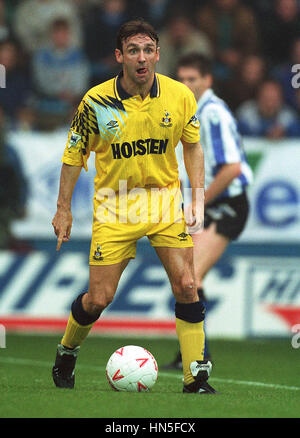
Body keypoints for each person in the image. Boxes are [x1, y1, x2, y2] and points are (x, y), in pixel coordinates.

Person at [51, 19, 217, 394]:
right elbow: (73, 157)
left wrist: (197, 196)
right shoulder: (95, 102)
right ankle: (67, 349)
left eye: (147, 50)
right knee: (99, 298)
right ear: (119, 56)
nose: (141, 58)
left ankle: (195, 377)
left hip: (162, 201)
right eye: (132, 50)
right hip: (115, 204)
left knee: (188, 285)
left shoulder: (179, 96)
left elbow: (192, 144)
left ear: (157, 54)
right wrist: (63, 209)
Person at [163, 53, 253, 370]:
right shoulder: (195, 111)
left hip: (227, 204)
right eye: (182, 79)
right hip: (217, 203)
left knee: (190, 276)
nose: (186, 85)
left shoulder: (212, 113)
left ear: (207, 80)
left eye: (192, 79)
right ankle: (194, 352)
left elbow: (231, 168)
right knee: (185, 276)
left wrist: (198, 201)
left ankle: (198, 355)